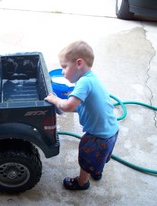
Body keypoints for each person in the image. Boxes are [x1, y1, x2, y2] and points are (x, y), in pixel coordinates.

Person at [45, 41, 119, 190]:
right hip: (112, 131)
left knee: (86, 157)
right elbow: (82, 107)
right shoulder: (92, 79)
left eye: (64, 67)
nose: (63, 72)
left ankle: (82, 182)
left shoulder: (83, 83)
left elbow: (69, 105)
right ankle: (97, 172)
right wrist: (60, 106)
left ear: (79, 63)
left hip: (97, 136)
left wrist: (55, 100)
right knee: (100, 156)